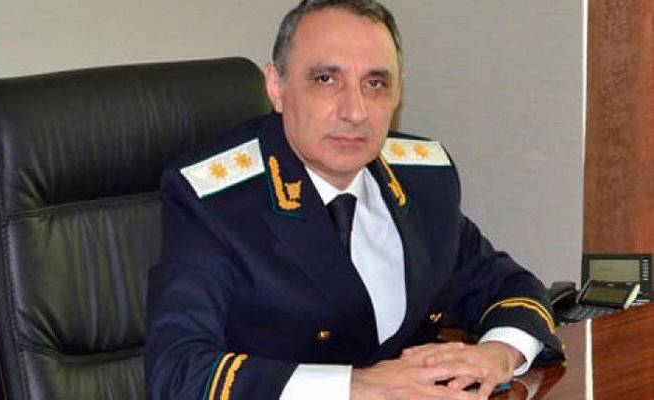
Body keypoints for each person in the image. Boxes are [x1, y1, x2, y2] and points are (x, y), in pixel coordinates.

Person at [145, 1, 564, 399]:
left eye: (375, 83)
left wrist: (497, 353)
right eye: (326, 79)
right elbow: (178, 371)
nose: (355, 111)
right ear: (277, 87)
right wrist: (358, 387)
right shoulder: (215, 202)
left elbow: (510, 286)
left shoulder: (423, 179)